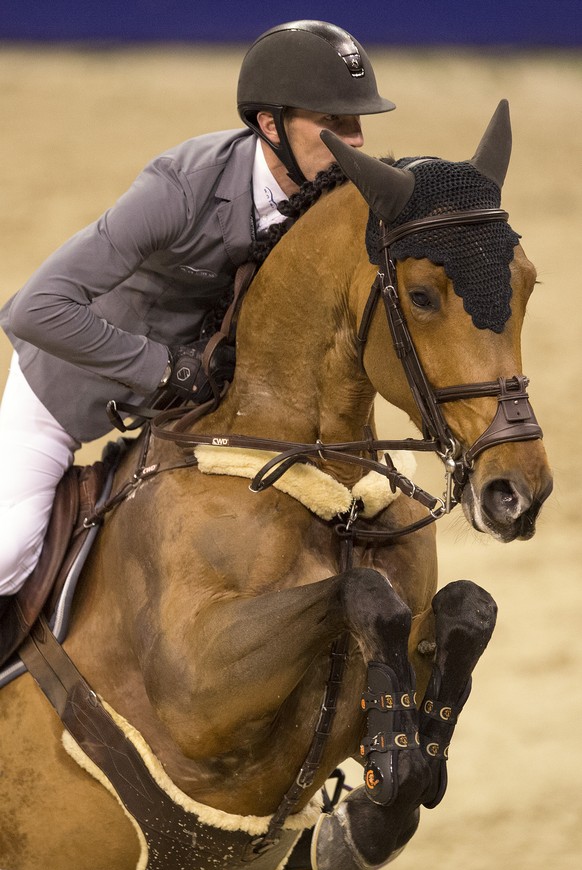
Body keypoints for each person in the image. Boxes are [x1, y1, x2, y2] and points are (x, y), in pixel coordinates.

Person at [0, 20, 395, 608]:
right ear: (270, 125)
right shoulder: (181, 188)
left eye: (358, 121)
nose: (356, 140)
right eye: (334, 122)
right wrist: (165, 370)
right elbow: (36, 308)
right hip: (72, 386)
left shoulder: (335, 201)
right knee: (7, 558)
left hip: (204, 406)